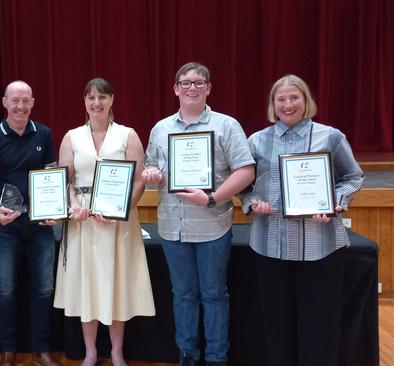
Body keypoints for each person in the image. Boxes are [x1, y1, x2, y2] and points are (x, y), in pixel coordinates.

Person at [240, 74, 363, 366]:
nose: (287, 104)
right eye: (280, 99)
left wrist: (335, 203)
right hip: (270, 244)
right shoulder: (257, 140)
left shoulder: (330, 136)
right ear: (273, 104)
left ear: (306, 100)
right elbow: (242, 185)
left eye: (294, 97)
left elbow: (353, 177)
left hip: (321, 246)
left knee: (320, 324)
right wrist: (250, 202)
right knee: (277, 324)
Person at [142, 62, 255, 366]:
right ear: (175, 88)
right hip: (172, 227)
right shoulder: (161, 128)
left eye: (199, 82)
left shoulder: (226, 125)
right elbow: (150, 166)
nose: (192, 88)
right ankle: (188, 356)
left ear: (209, 88)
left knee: (214, 294)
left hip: (212, 226)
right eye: (186, 83)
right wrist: (151, 173)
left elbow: (245, 170)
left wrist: (212, 197)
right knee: (183, 295)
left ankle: (217, 357)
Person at [53, 78, 156, 366]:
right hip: (83, 222)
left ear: (112, 100)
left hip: (117, 222)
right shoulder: (72, 136)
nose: (96, 103)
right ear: (84, 102)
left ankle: (117, 351)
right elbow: (64, 180)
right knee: (88, 285)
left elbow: (138, 181)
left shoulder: (127, 135)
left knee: (115, 283)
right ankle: (90, 352)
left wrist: (121, 209)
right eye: (90, 98)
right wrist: (74, 207)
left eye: (102, 97)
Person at [0, 81, 62, 366]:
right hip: (5, 227)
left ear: (33, 102)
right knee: (5, 290)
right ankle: (8, 351)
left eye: (26, 100)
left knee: (43, 290)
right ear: (4, 102)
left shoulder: (45, 134)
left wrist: (55, 208)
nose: (20, 106)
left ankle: (41, 351)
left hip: (40, 226)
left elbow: (52, 174)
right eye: (15, 100)